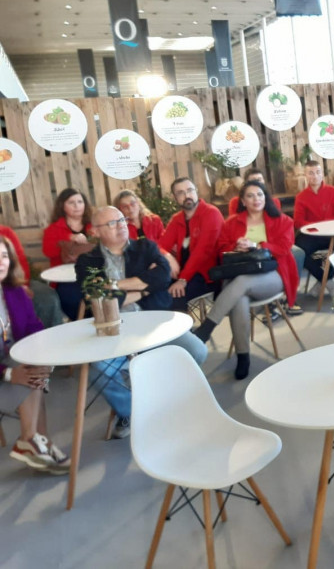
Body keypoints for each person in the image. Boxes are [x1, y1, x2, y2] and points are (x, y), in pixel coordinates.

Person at [76, 207, 208, 439]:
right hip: (115, 329)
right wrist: (145, 286)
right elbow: (97, 295)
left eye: (122, 220)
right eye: (112, 223)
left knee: (197, 351)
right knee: (100, 366)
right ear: (96, 231)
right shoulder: (89, 260)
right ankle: (130, 410)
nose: (121, 225)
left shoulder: (144, 247)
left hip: (154, 321)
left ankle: (164, 395)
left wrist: (116, 286)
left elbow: (163, 277)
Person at [193, 182, 298, 380]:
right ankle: (243, 357)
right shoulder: (232, 222)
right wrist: (236, 246)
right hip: (240, 274)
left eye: (259, 194)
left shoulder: (282, 220)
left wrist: (257, 245)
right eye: (250, 196)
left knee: (240, 283)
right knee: (240, 298)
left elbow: (284, 247)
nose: (256, 199)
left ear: (265, 197)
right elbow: (221, 248)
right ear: (243, 200)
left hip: (273, 274)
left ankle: (206, 328)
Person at [0, 235, 70, 474]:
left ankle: (35, 441)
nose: (1, 262)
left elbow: (33, 326)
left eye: (5, 256)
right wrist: (9, 374)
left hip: (14, 363)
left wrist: (45, 349)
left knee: (35, 364)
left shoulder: (14, 291)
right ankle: (34, 440)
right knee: (30, 370)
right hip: (4, 372)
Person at [158, 178, 224, 312]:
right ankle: (186, 330)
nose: (187, 195)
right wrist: (168, 257)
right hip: (184, 273)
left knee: (174, 297)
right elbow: (160, 246)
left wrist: (183, 279)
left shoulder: (211, 213)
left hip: (209, 275)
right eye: (181, 193)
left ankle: (186, 332)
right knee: (157, 293)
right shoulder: (177, 219)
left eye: (190, 190)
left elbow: (203, 251)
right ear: (175, 197)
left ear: (196, 191)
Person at [42, 188, 94, 321]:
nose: (77, 206)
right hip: (66, 279)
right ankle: (83, 325)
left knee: (100, 294)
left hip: (93, 274)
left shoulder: (94, 226)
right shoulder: (53, 229)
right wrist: (68, 238)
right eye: (71, 202)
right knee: (70, 298)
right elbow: (48, 251)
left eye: (80, 201)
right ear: (62, 206)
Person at [0, 223, 63, 328]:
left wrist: (21, 284)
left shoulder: (6, 232)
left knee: (47, 297)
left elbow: (20, 262)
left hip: (13, 282)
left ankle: (53, 338)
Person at [293, 160, 334, 286]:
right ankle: (327, 281)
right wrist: (319, 227)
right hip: (311, 236)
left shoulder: (333, 192)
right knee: (298, 252)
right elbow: (298, 221)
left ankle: (322, 282)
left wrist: (320, 226)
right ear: (306, 176)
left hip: (332, 233)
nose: (315, 176)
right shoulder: (301, 197)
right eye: (311, 173)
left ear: (322, 174)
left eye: (317, 172)